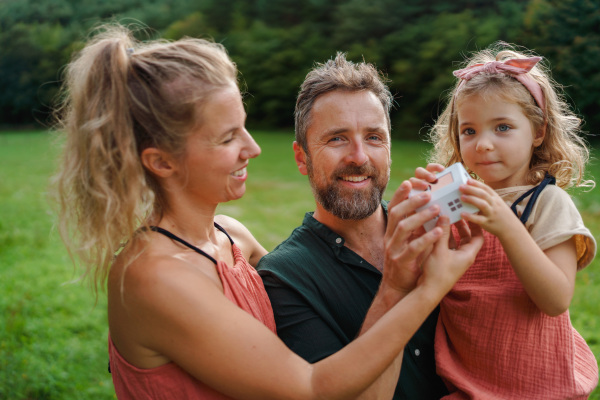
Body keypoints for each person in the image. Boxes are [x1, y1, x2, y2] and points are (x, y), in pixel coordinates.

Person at [53, 24, 483, 399]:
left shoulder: (229, 236)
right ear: (161, 162)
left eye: (245, 125)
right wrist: (422, 287)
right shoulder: (154, 277)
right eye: (227, 139)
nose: (254, 148)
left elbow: (306, 269)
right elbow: (313, 387)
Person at [257, 53, 457, 399]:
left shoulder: (437, 232)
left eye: (374, 138)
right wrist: (395, 288)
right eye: (337, 138)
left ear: (390, 150)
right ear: (301, 157)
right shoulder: (283, 278)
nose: (359, 157)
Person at [427, 44, 598, 398]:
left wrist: (507, 225)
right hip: (466, 381)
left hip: (537, 385)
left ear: (538, 132)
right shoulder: (460, 200)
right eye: (469, 131)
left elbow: (555, 299)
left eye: (502, 127)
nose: (483, 144)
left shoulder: (546, 203)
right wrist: (428, 212)